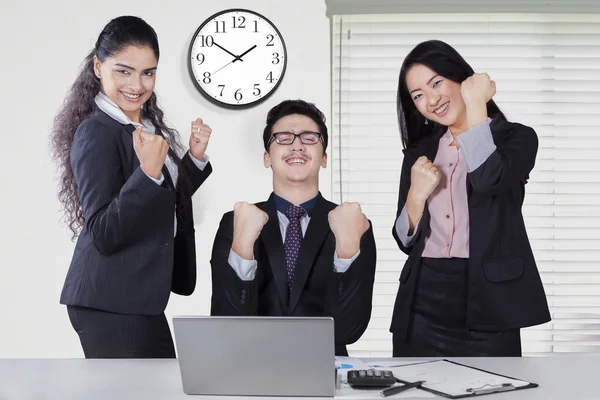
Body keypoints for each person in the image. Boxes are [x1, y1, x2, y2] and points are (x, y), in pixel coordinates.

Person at [50, 16, 213, 358]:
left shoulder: (145, 124)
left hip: (138, 294)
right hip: (109, 299)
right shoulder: (97, 132)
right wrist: (149, 173)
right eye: (123, 71)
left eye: (147, 72)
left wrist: (193, 161)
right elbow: (104, 231)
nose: (137, 84)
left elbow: (157, 199)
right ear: (98, 66)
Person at [390, 40, 551, 357]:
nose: (431, 99)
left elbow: (489, 178)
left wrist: (476, 103)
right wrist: (415, 196)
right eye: (418, 95)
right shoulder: (419, 153)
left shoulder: (517, 138)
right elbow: (404, 240)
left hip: (489, 300)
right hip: (421, 298)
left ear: (459, 78)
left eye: (436, 83)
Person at [210, 100, 376, 356]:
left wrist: (347, 249)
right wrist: (242, 246)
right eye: (284, 138)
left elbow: (347, 331)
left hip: (323, 371)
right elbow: (226, 326)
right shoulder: (235, 222)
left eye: (309, 138)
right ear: (267, 158)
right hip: (251, 368)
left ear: (324, 158)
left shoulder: (354, 223)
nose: (297, 145)